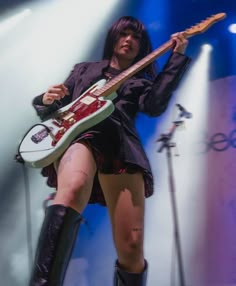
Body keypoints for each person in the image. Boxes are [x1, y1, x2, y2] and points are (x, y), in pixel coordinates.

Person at [30, 15, 190, 286]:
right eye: (124, 34)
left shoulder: (141, 82)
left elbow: (154, 107)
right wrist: (44, 100)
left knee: (132, 245)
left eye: (136, 37)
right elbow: (57, 109)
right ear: (113, 38)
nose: (129, 40)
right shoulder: (84, 71)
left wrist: (176, 58)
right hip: (83, 135)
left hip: (122, 145)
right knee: (73, 187)